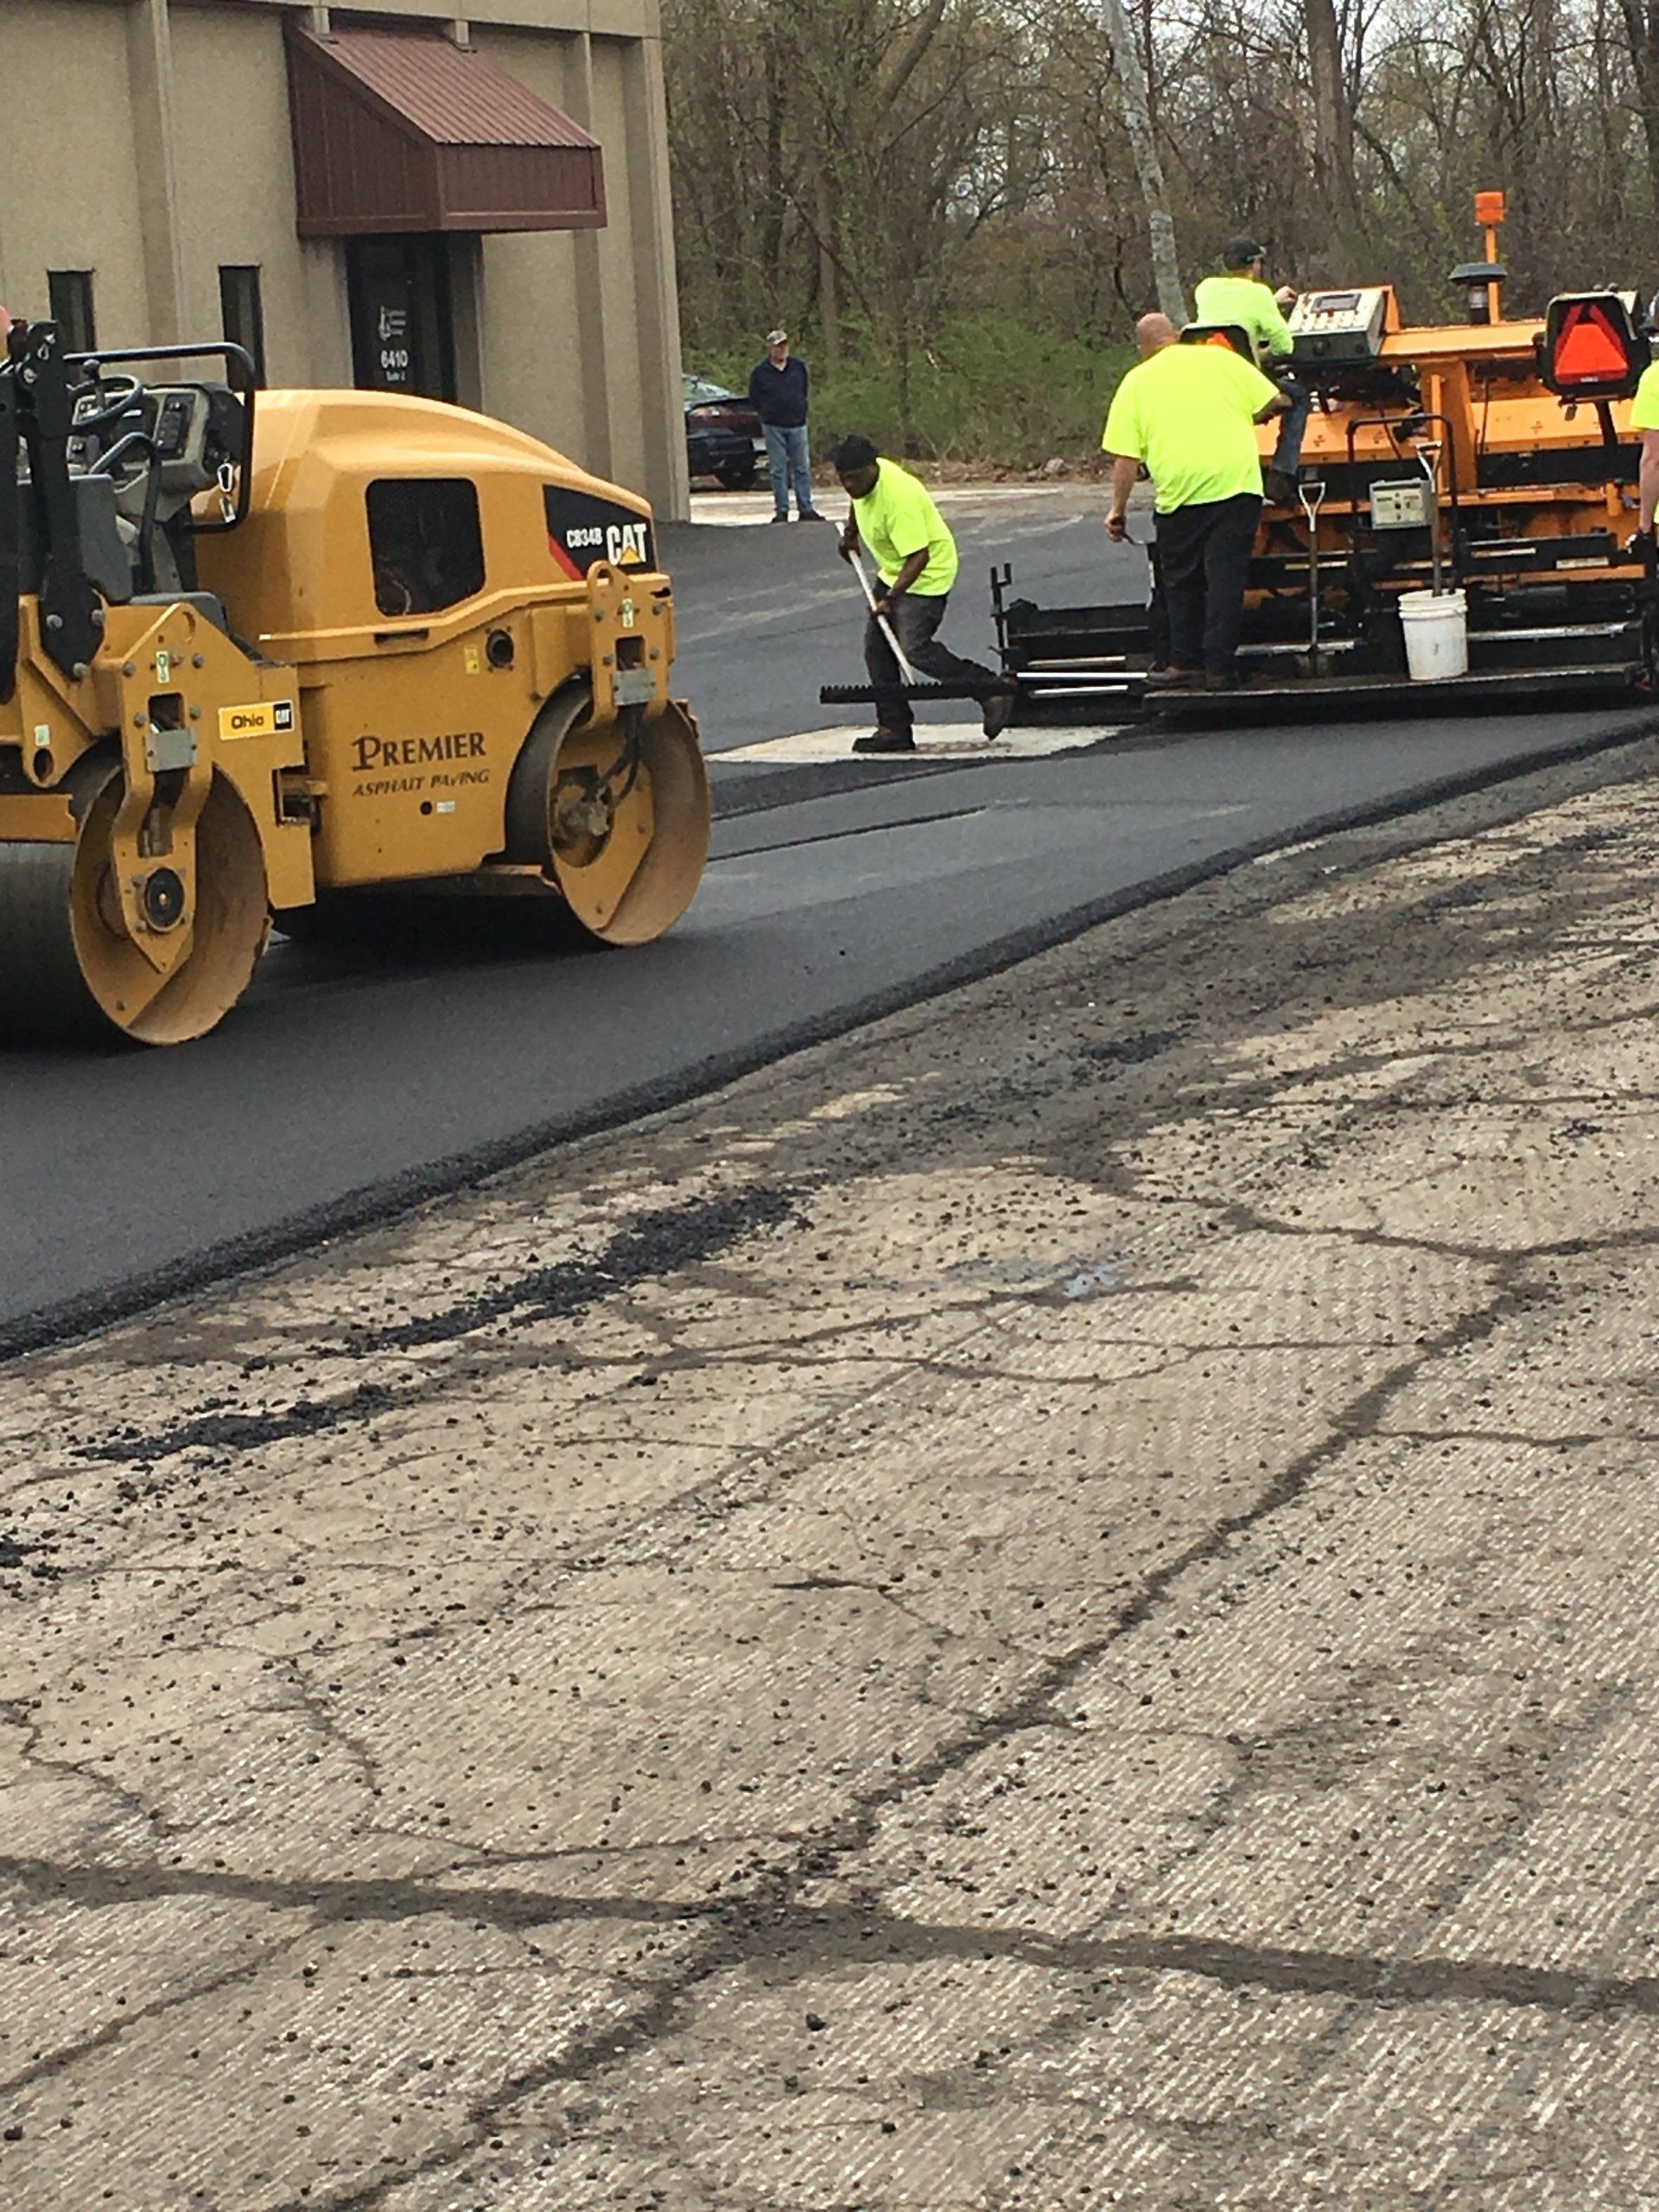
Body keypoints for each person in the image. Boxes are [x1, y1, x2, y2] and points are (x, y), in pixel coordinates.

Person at [1103, 312, 1287, 690]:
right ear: (1176, 335)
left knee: (1182, 581)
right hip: (1238, 486)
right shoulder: (1220, 358)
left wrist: (1117, 511)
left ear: (1143, 349)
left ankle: (1186, 662)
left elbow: (1126, 459)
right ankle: (1220, 667)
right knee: (1225, 578)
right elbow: (1276, 398)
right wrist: (1251, 415)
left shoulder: (1136, 382)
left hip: (1181, 495)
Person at [830, 433, 1016, 753]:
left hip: (927, 574)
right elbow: (857, 500)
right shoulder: (865, 479)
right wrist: (851, 533)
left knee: (914, 648)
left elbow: (920, 556)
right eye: (842, 479)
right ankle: (894, 727)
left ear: (872, 467)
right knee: (877, 649)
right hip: (893, 570)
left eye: (853, 478)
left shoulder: (898, 499)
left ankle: (991, 690)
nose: (848, 485)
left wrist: (890, 598)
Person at [1193, 236, 1309, 506]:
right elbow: (1284, 346)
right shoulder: (1259, 295)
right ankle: (1283, 476)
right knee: (1299, 397)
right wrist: (1262, 351)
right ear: (1255, 264)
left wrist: (1270, 301)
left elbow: (1232, 314)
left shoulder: (1205, 289)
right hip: (1243, 384)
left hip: (1208, 379)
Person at [748, 329, 824, 522]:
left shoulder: (798, 367)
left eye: (784, 345)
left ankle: (805, 508)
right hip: (773, 426)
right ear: (770, 348)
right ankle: (781, 510)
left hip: (797, 424)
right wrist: (766, 413)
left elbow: (803, 391)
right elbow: (755, 397)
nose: (781, 349)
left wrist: (801, 410)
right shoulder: (760, 372)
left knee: (802, 468)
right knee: (778, 470)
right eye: (777, 346)